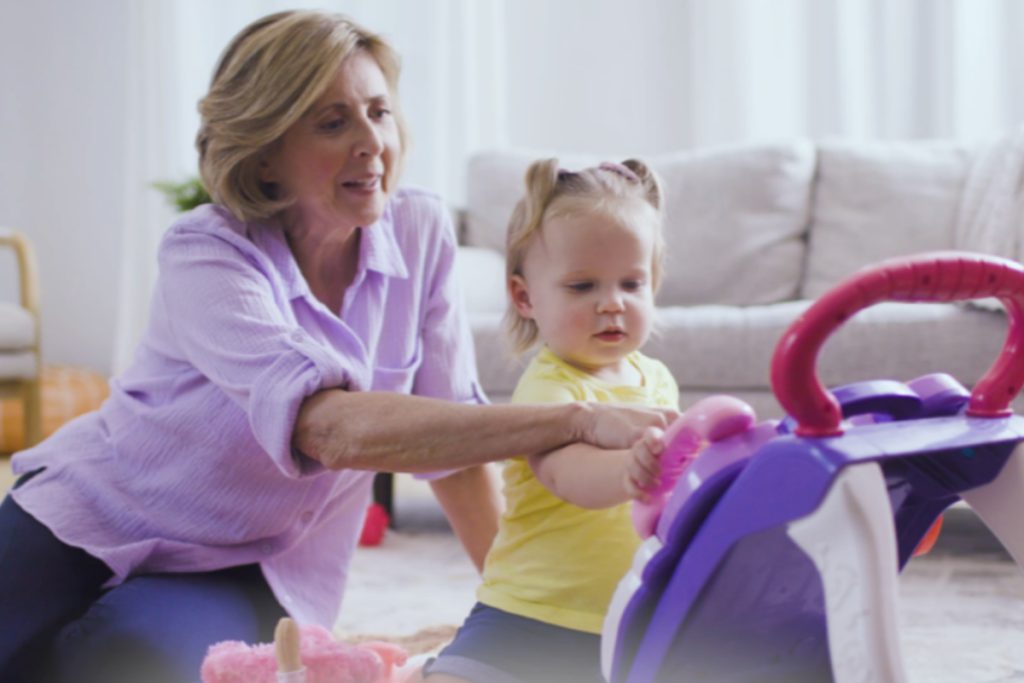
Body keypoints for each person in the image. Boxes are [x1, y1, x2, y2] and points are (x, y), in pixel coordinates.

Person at [0, 12, 675, 683]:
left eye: (379, 113)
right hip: (94, 507)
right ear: (265, 149)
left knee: (126, 662)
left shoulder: (421, 231)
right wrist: (577, 417)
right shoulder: (207, 251)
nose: (371, 143)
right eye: (332, 122)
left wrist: (512, 620)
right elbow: (328, 428)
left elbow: (457, 455)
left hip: (253, 561)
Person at [420, 158, 679, 683]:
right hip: (530, 614)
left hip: (628, 619)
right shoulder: (550, 389)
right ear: (524, 296)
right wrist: (633, 470)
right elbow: (568, 474)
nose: (612, 305)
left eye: (631, 284)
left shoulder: (657, 380)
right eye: (582, 287)